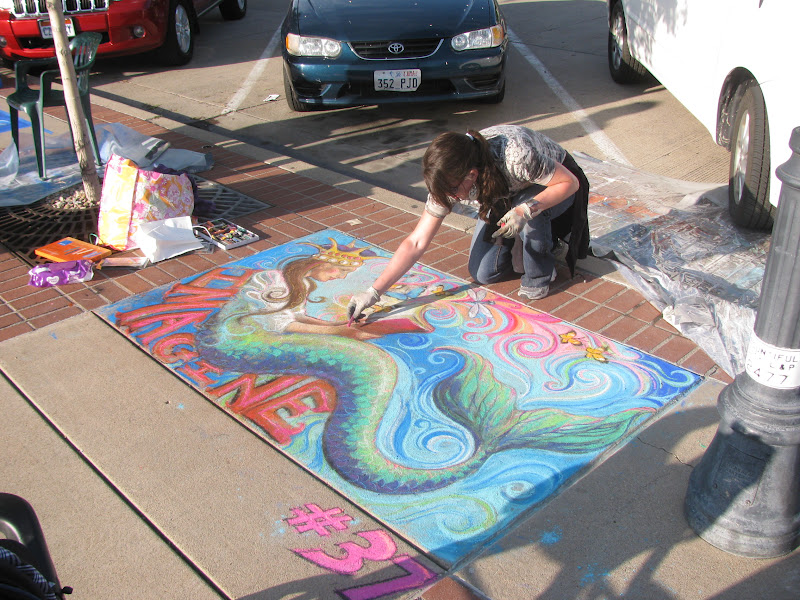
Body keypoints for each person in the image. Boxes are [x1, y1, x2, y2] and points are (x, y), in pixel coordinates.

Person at [347, 124, 590, 321]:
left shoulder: (516, 156)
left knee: (531, 217)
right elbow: (416, 241)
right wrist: (374, 292)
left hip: (554, 185)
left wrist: (526, 210)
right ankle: (522, 242)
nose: (451, 198)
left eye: (453, 191)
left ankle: (539, 277)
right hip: (505, 194)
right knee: (483, 273)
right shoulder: (447, 182)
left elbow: (570, 183)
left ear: (472, 175)